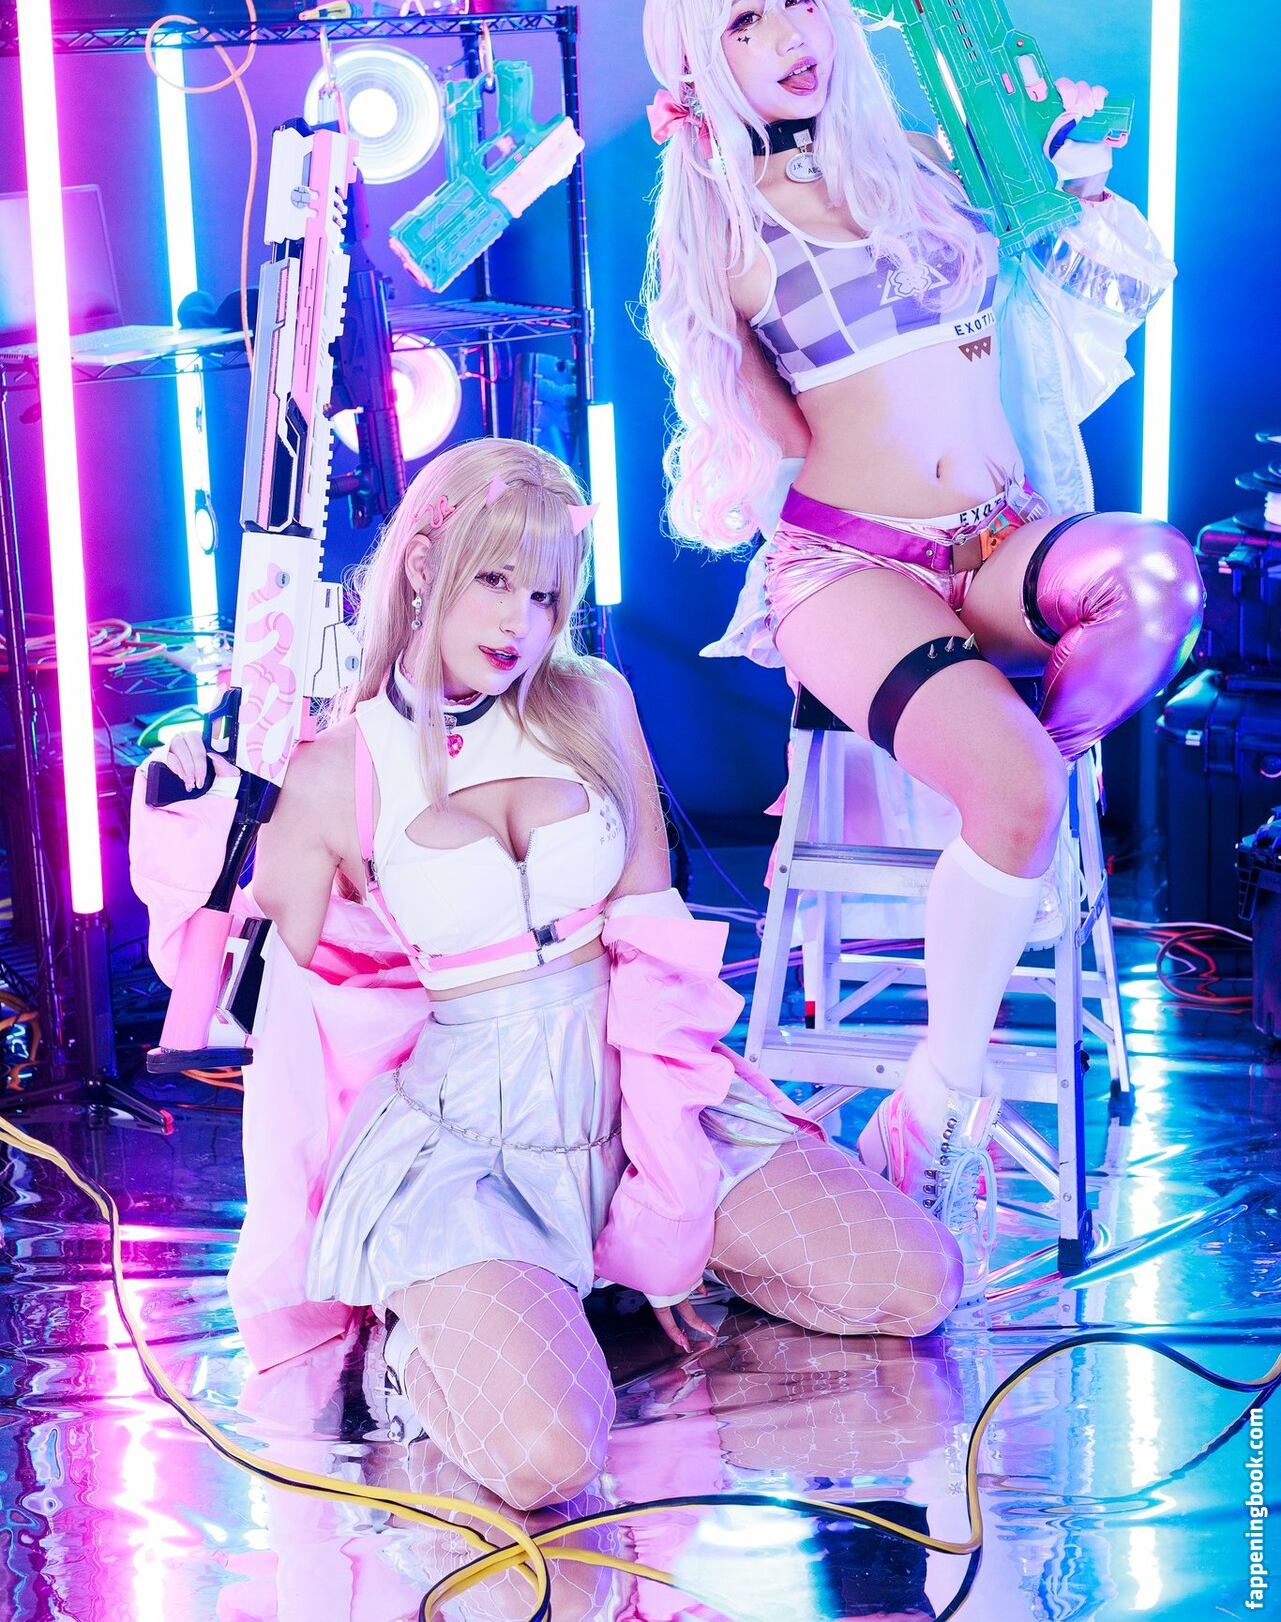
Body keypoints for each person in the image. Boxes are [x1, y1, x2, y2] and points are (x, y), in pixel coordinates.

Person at [137, 437, 963, 1513]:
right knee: (549, 1460)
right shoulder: (339, 770)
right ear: (424, 563)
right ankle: (419, 1338)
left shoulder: (593, 700)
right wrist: (197, 832)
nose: (519, 621)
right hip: (469, 1144)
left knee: (915, 1283)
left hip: (634, 1087)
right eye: (493, 579)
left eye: (542, 593)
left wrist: (669, 1193)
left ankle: (627, 1267)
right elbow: (242, 992)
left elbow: (654, 937)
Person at [640, 0, 1203, 1299]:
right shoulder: (721, 233)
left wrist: (1063, 179)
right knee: (1011, 789)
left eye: (799, 0)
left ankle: (1020, 813)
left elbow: (1063, 281)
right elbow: (766, 442)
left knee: (1157, 578)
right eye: (743, 20)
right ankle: (936, 1105)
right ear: (700, 64)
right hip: (849, 565)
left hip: (997, 535)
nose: (787, 34)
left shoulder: (926, 163)